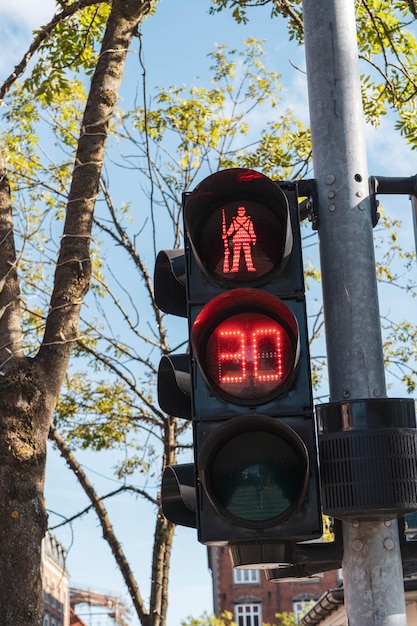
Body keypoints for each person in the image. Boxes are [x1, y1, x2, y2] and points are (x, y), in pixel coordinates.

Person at [224, 205, 257, 272]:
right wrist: (226, 234)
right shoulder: (234, 221)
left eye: (242, 211)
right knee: (236, 255)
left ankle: (250, 267)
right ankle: (235, 268)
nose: (241, 212)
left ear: (244, 211)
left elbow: (251, 230)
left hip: (245, 239)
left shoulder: (248, 220)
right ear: (237, 212)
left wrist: (253, 238)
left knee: (248, 255)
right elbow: (231, 229)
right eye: (239, 211)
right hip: (237, 239)